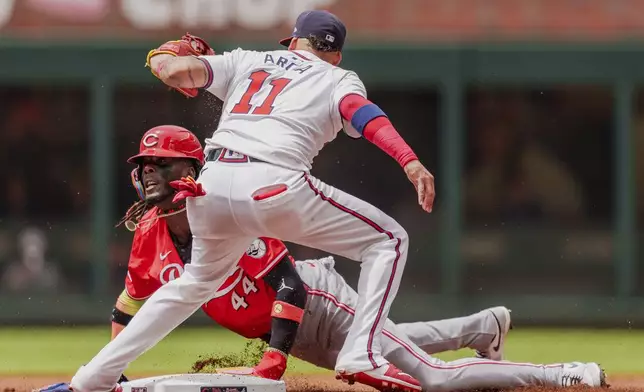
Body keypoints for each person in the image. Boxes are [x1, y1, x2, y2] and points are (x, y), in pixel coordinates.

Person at [42, 127, 606, 392]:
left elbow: (288, 284)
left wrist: (274, 359)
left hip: (314, 301)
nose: (147, 173)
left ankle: (562, 374)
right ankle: (485, 325)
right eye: (143, 165)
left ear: (189, 172)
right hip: (286, 330)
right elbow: (131, 306)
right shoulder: (147, 236)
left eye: (160, 163)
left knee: (426, 378)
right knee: (392, 342)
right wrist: (112, 370)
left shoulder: (226, 208)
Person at [70, 10, 436, 392]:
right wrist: (408, 160)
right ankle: (361, 352)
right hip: (273, 183)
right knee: (388, 240)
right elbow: (361, 114)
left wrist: (163, 53)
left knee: (194, 282)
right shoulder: (337, 77)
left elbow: (171, 71)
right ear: (337, 54)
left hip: (209, 185)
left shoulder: (247, 59)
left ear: (294, 42)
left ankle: (93, 377)